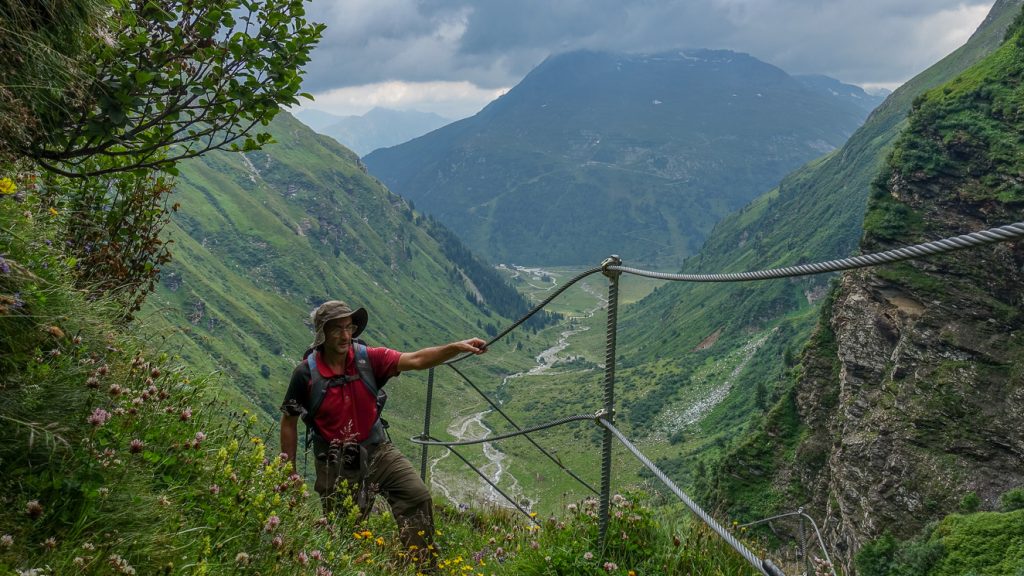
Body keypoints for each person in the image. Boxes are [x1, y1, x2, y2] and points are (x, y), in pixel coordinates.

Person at [280, 300, 486, 570]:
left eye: (349, 327)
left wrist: (456, 347)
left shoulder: (367, 359)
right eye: (336, 329)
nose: (345, 335)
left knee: (416, 496)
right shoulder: (305, 374)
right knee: (344, 533)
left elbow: (416, 359)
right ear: (322, 334)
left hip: (378, 449)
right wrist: (289, 472)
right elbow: (289, 421)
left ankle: (422, 567)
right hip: (335, 462)